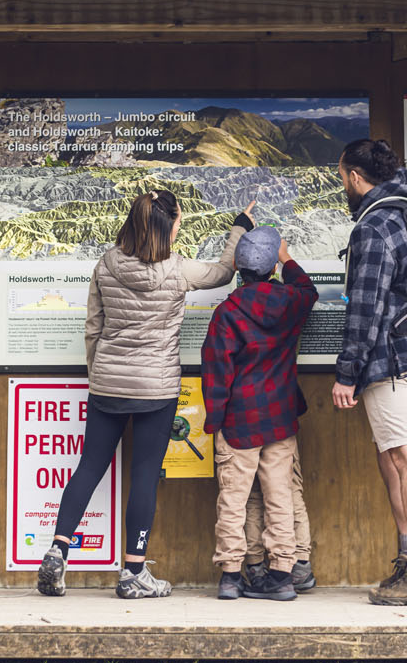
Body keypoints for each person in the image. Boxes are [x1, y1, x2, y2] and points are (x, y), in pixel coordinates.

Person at [37, 188, 253, 600]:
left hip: (108, 384)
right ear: (168, 227)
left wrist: (98, 374)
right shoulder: (178, 271)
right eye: (178, 221)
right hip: (155, 388)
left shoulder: (106, 264)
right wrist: (239, 229)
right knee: (143, 477)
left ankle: (58, 549)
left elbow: (93, 328)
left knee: (89, 467)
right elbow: (224, 272)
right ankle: (133, 571)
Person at [333, 138, 407, 607]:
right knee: (393, 455)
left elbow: (365, 308)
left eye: (343, 176)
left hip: (392, 359)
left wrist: (348, 373)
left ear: (357, 178)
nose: (343, 185)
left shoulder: (374, 226)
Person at [201, 226, 318, 601]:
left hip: (238, 422)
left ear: (237, 266)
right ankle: (282, 574)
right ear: (271, 268)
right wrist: (286, 257)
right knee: (280, 495)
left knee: (233, 500)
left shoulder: (227, 313)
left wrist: (214, 421)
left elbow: (216, 374)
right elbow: (308, 290)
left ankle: (231, 577)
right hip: (279, 417)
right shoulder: (291, 302)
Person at [243, 444, 314, 592]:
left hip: (243, 432)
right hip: (279, 429)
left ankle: (255, 567)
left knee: (252, 495)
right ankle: (299, 564)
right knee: (289, 490)